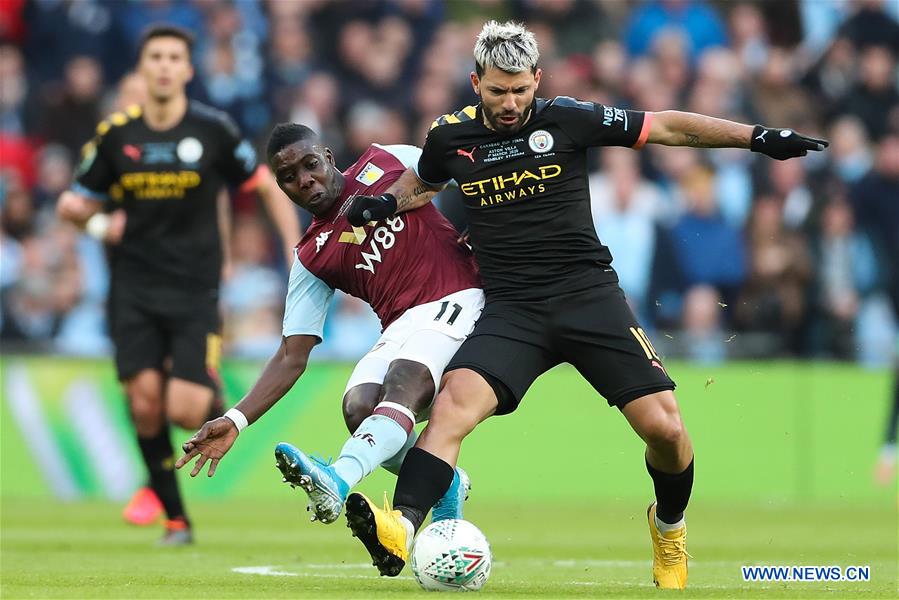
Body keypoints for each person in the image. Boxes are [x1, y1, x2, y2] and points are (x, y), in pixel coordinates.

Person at [342, 20, 828, 588]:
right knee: (452, 408)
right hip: (513, 309)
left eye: (521, 89)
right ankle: (400, 526)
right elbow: (425, 182)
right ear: (476, 82)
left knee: (665, 430)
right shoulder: (450, 136)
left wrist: (758, 137)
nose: (510, 102)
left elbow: (668, 126)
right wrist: (384, 205)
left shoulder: (567, 117)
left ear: (537, 79)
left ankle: (670, 530)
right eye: (498, 90)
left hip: (587, 295)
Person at [56, 24, 301, 545]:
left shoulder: (212, 130)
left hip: (194, 288)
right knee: (144, 403)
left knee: (182, 408)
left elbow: (262, 184)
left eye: (174, 57)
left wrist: (292, 249)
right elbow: (72, 204)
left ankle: (213, 399)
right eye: (156, 57)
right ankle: (175, 518)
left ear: (188, 70)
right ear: (143, 69)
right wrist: (101, 224)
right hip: (133, 288)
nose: (165, 66)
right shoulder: (117, 136)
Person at [175, 124, 484, 534]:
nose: (305, 180)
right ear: (282, 188)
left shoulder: (386, 160)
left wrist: (483, 228)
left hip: (457, 296)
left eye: (310, 165)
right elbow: (290, 355)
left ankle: (336, 479)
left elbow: (457, 171)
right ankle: (445, 481)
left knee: (401, 381)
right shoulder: (311, 256)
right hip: (401, 325)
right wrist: (234, 420)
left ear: (328, 156)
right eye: (289, 178)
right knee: (358, 407)